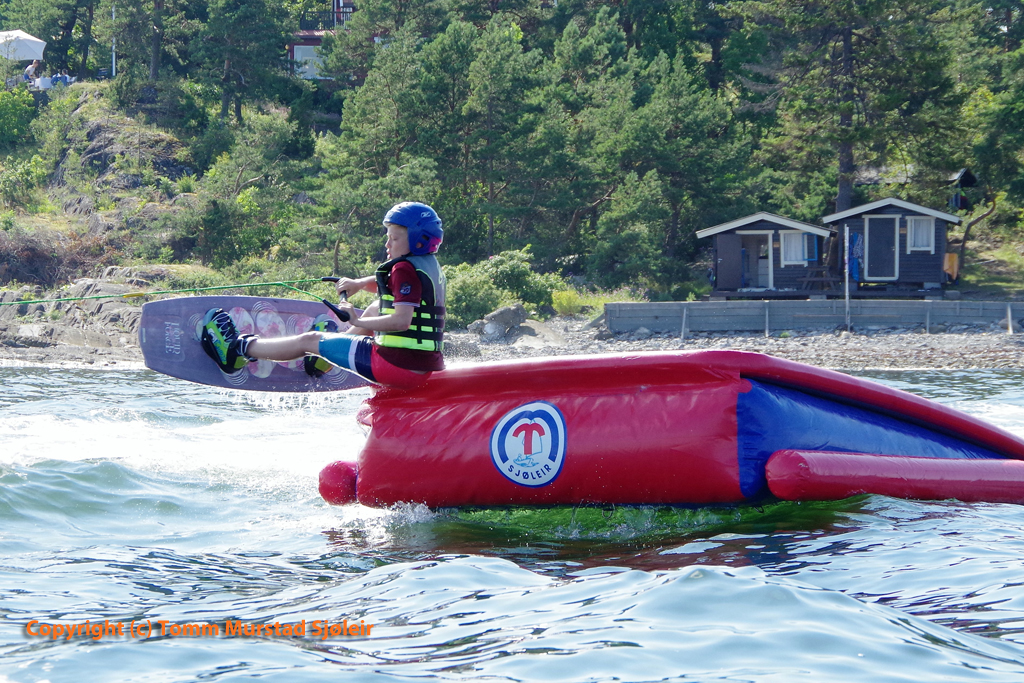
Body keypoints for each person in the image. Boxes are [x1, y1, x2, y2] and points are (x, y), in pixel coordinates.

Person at [201, 202, 447, 389]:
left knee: (309, 340)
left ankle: (237, 349)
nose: (387, 244)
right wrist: (359, 284)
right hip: (420, 366)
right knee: (375, 307)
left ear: (417, 242)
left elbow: (401, 321)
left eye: (394, 239)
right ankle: (326, 358)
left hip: (393, 365)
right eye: (387, 238)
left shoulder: (403, 268)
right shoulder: (426, 265)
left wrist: (356, 320)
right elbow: (395, 287)